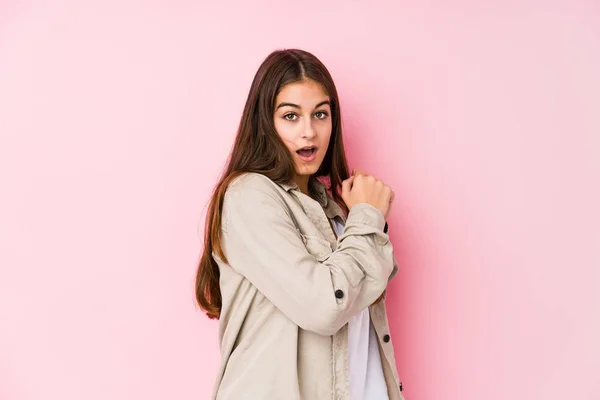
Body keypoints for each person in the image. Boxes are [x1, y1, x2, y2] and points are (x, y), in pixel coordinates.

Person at [195, 48, 405, 400]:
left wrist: (360, 217)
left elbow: (366, 300)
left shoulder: (333, 208)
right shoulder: (249, 195)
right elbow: (325, 306)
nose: (309, 132)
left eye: (320, 114)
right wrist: (368, 217)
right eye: (290, 116)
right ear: (265, 122)